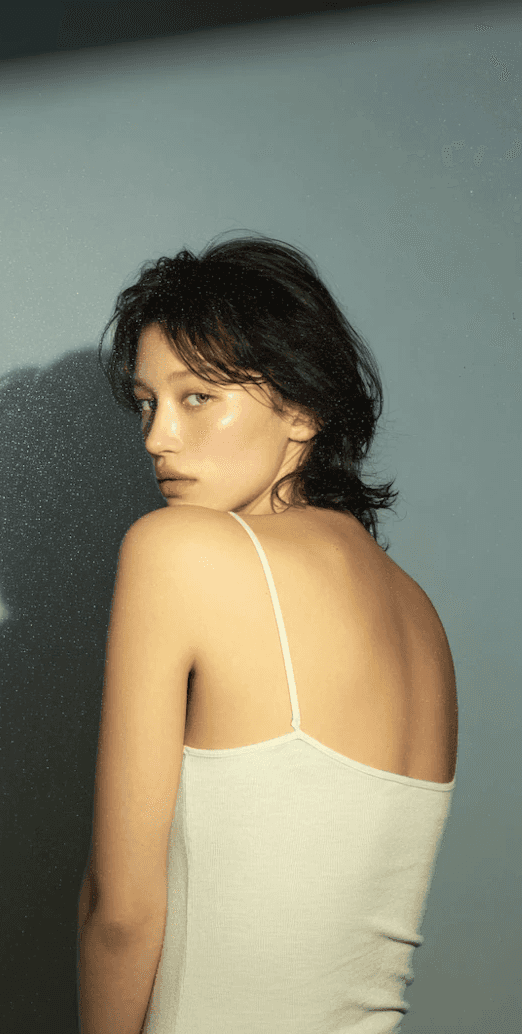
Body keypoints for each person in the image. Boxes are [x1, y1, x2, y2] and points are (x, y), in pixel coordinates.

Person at [76, 235, 458, 1034]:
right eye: (146, 403)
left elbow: (122, 912)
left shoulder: (177, 549)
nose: (155, 437)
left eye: (196, 397)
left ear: (303, 408)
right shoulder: (418, 614)